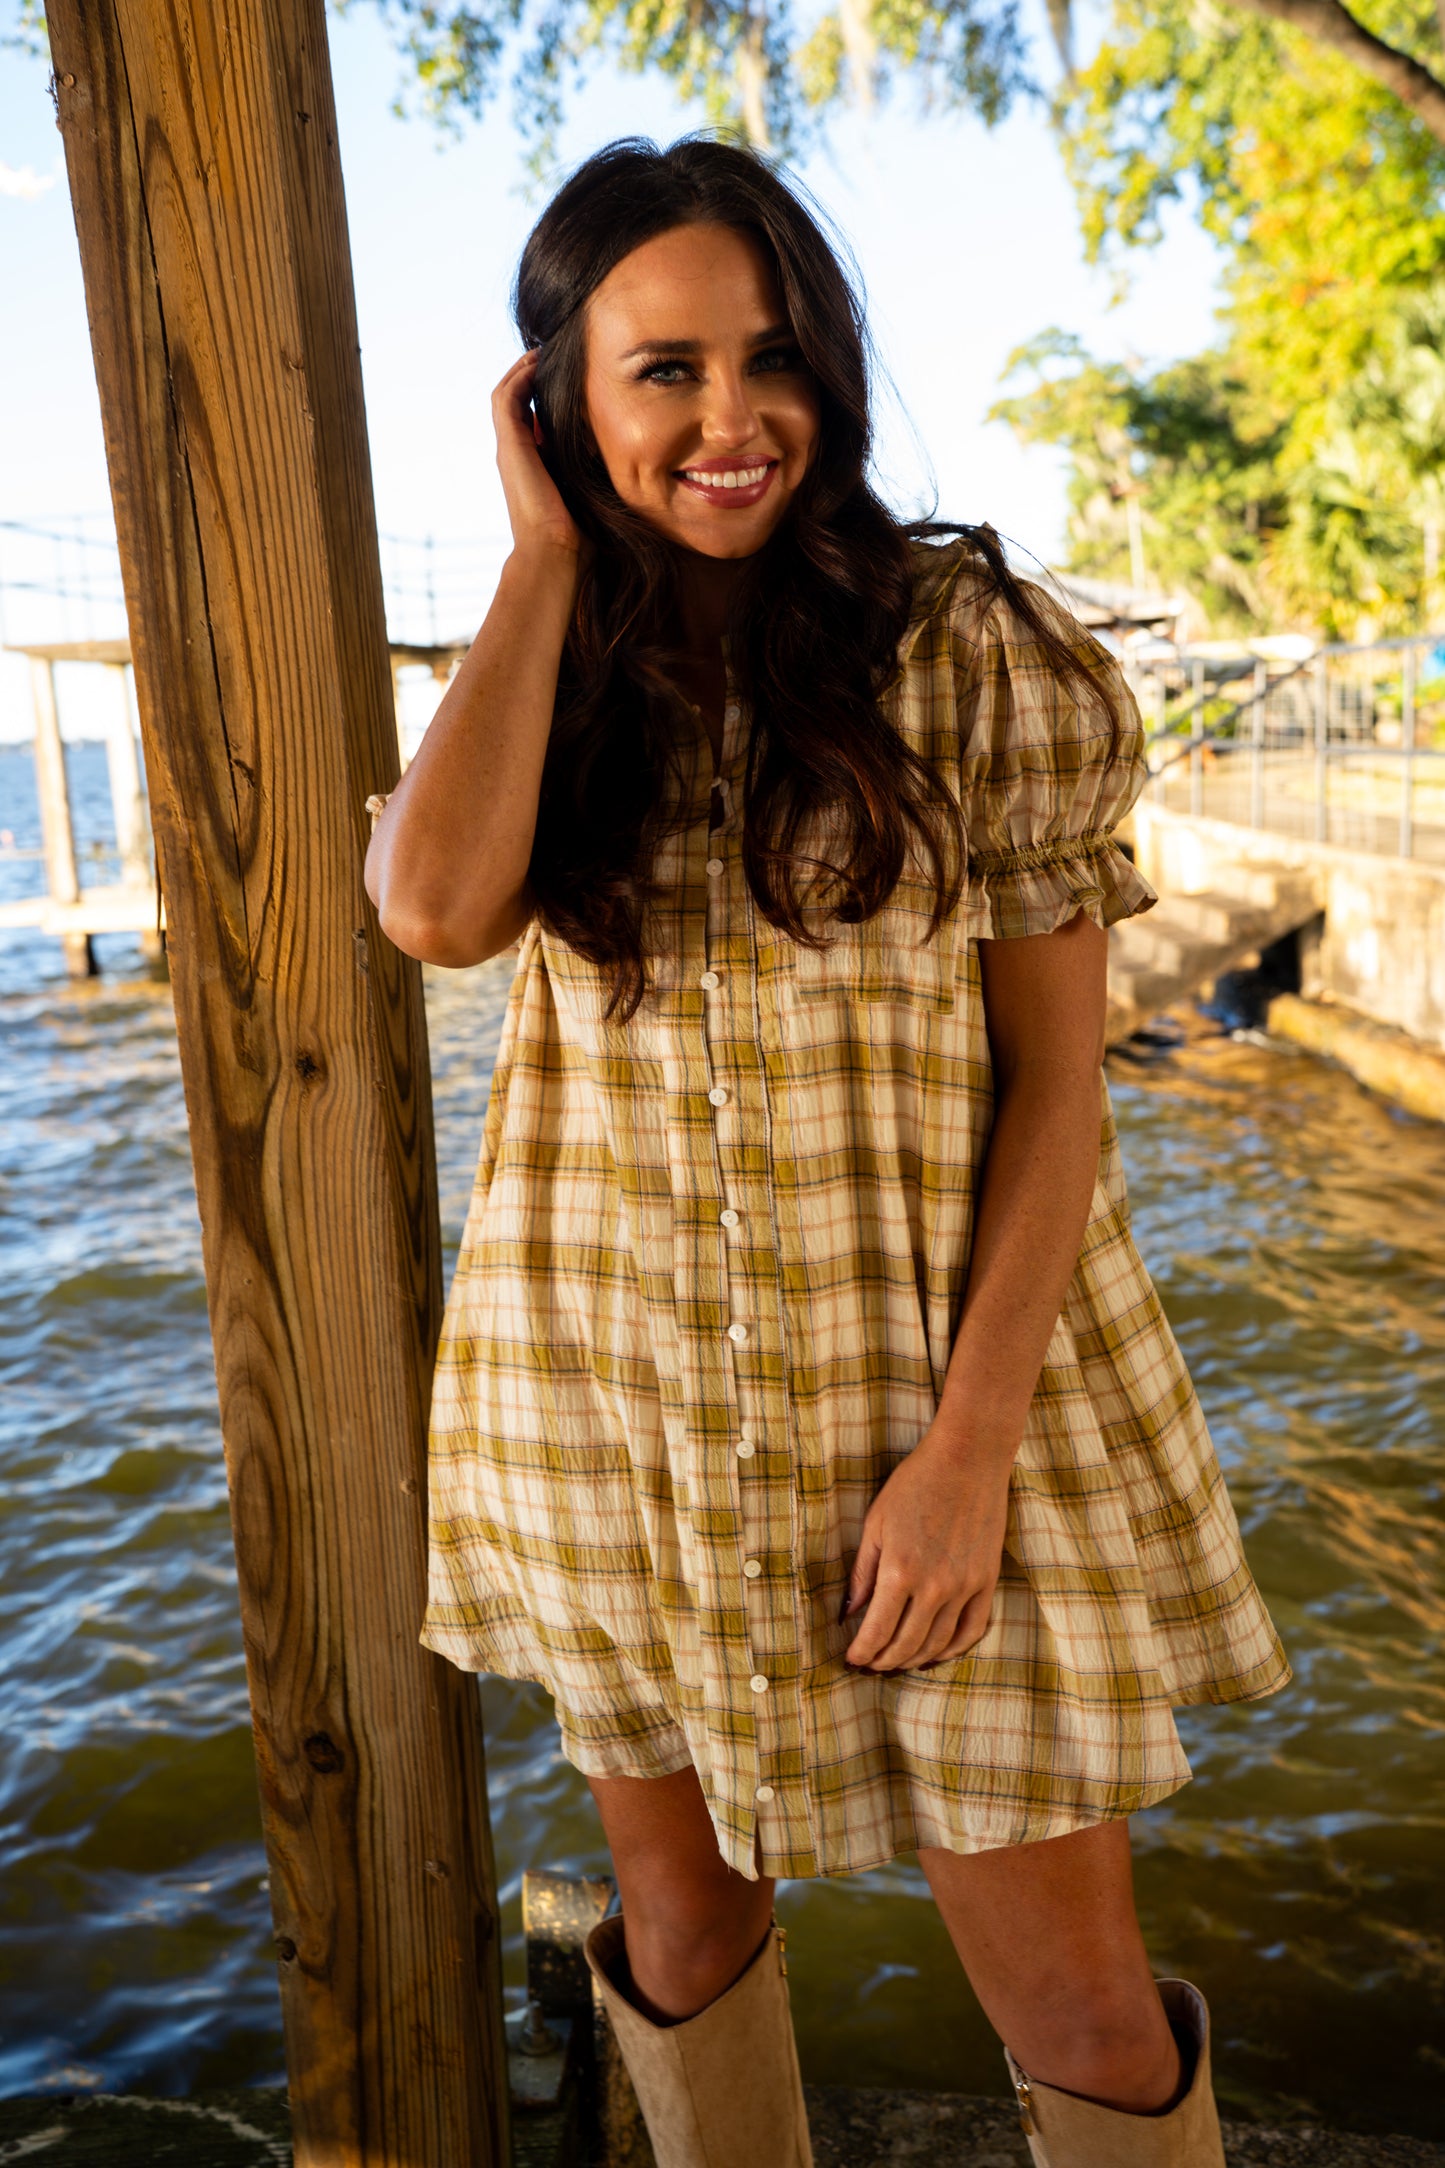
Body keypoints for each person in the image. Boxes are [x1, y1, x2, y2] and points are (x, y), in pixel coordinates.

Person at [363, 134, 1289, 2168]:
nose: (727, 416)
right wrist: (538, 565)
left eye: (771, 359)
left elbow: (1061, 1081)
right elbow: (430, 911)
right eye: (662, 368)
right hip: (620, 1412)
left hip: (953, 1416)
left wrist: (967, 1457)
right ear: (556, 402)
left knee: (1078, 1996)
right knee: (682, 1924)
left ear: (834, 373)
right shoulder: (544, 678)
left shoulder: (969, 646)